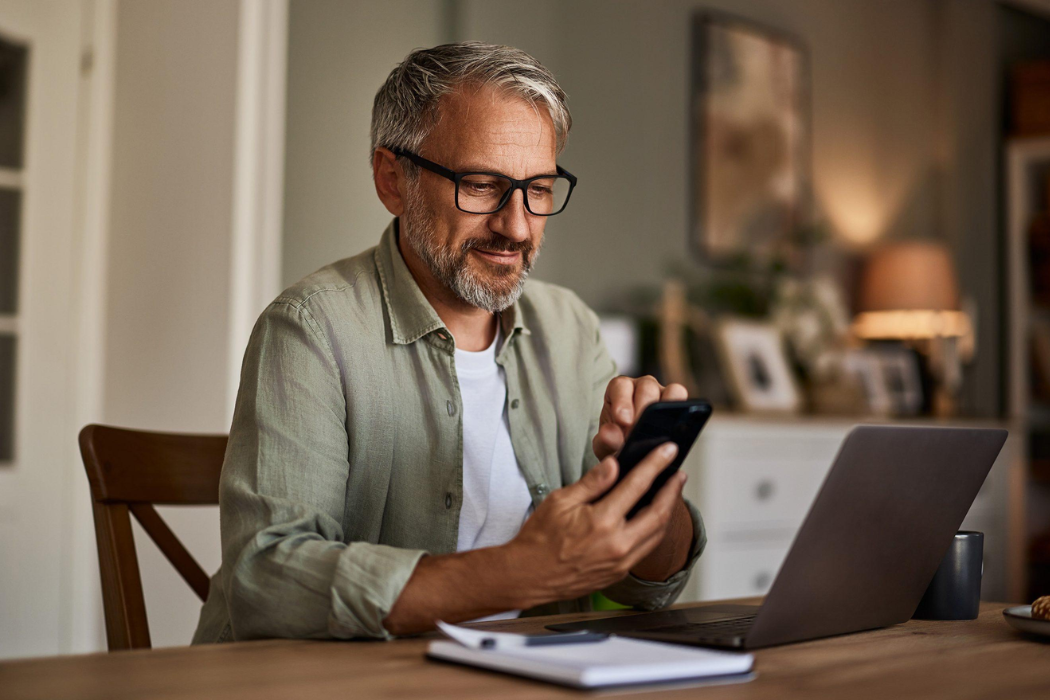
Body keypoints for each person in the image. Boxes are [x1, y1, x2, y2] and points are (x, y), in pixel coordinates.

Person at [193, 41, 705, 643]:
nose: (516, 226)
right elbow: (269, 583)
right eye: (482, 184)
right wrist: (519, 572)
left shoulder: (570, 328)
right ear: (392, 179)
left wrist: (648, 491)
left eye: (538, 189)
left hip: (523, 678)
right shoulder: (310, 329)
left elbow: (651, 585)